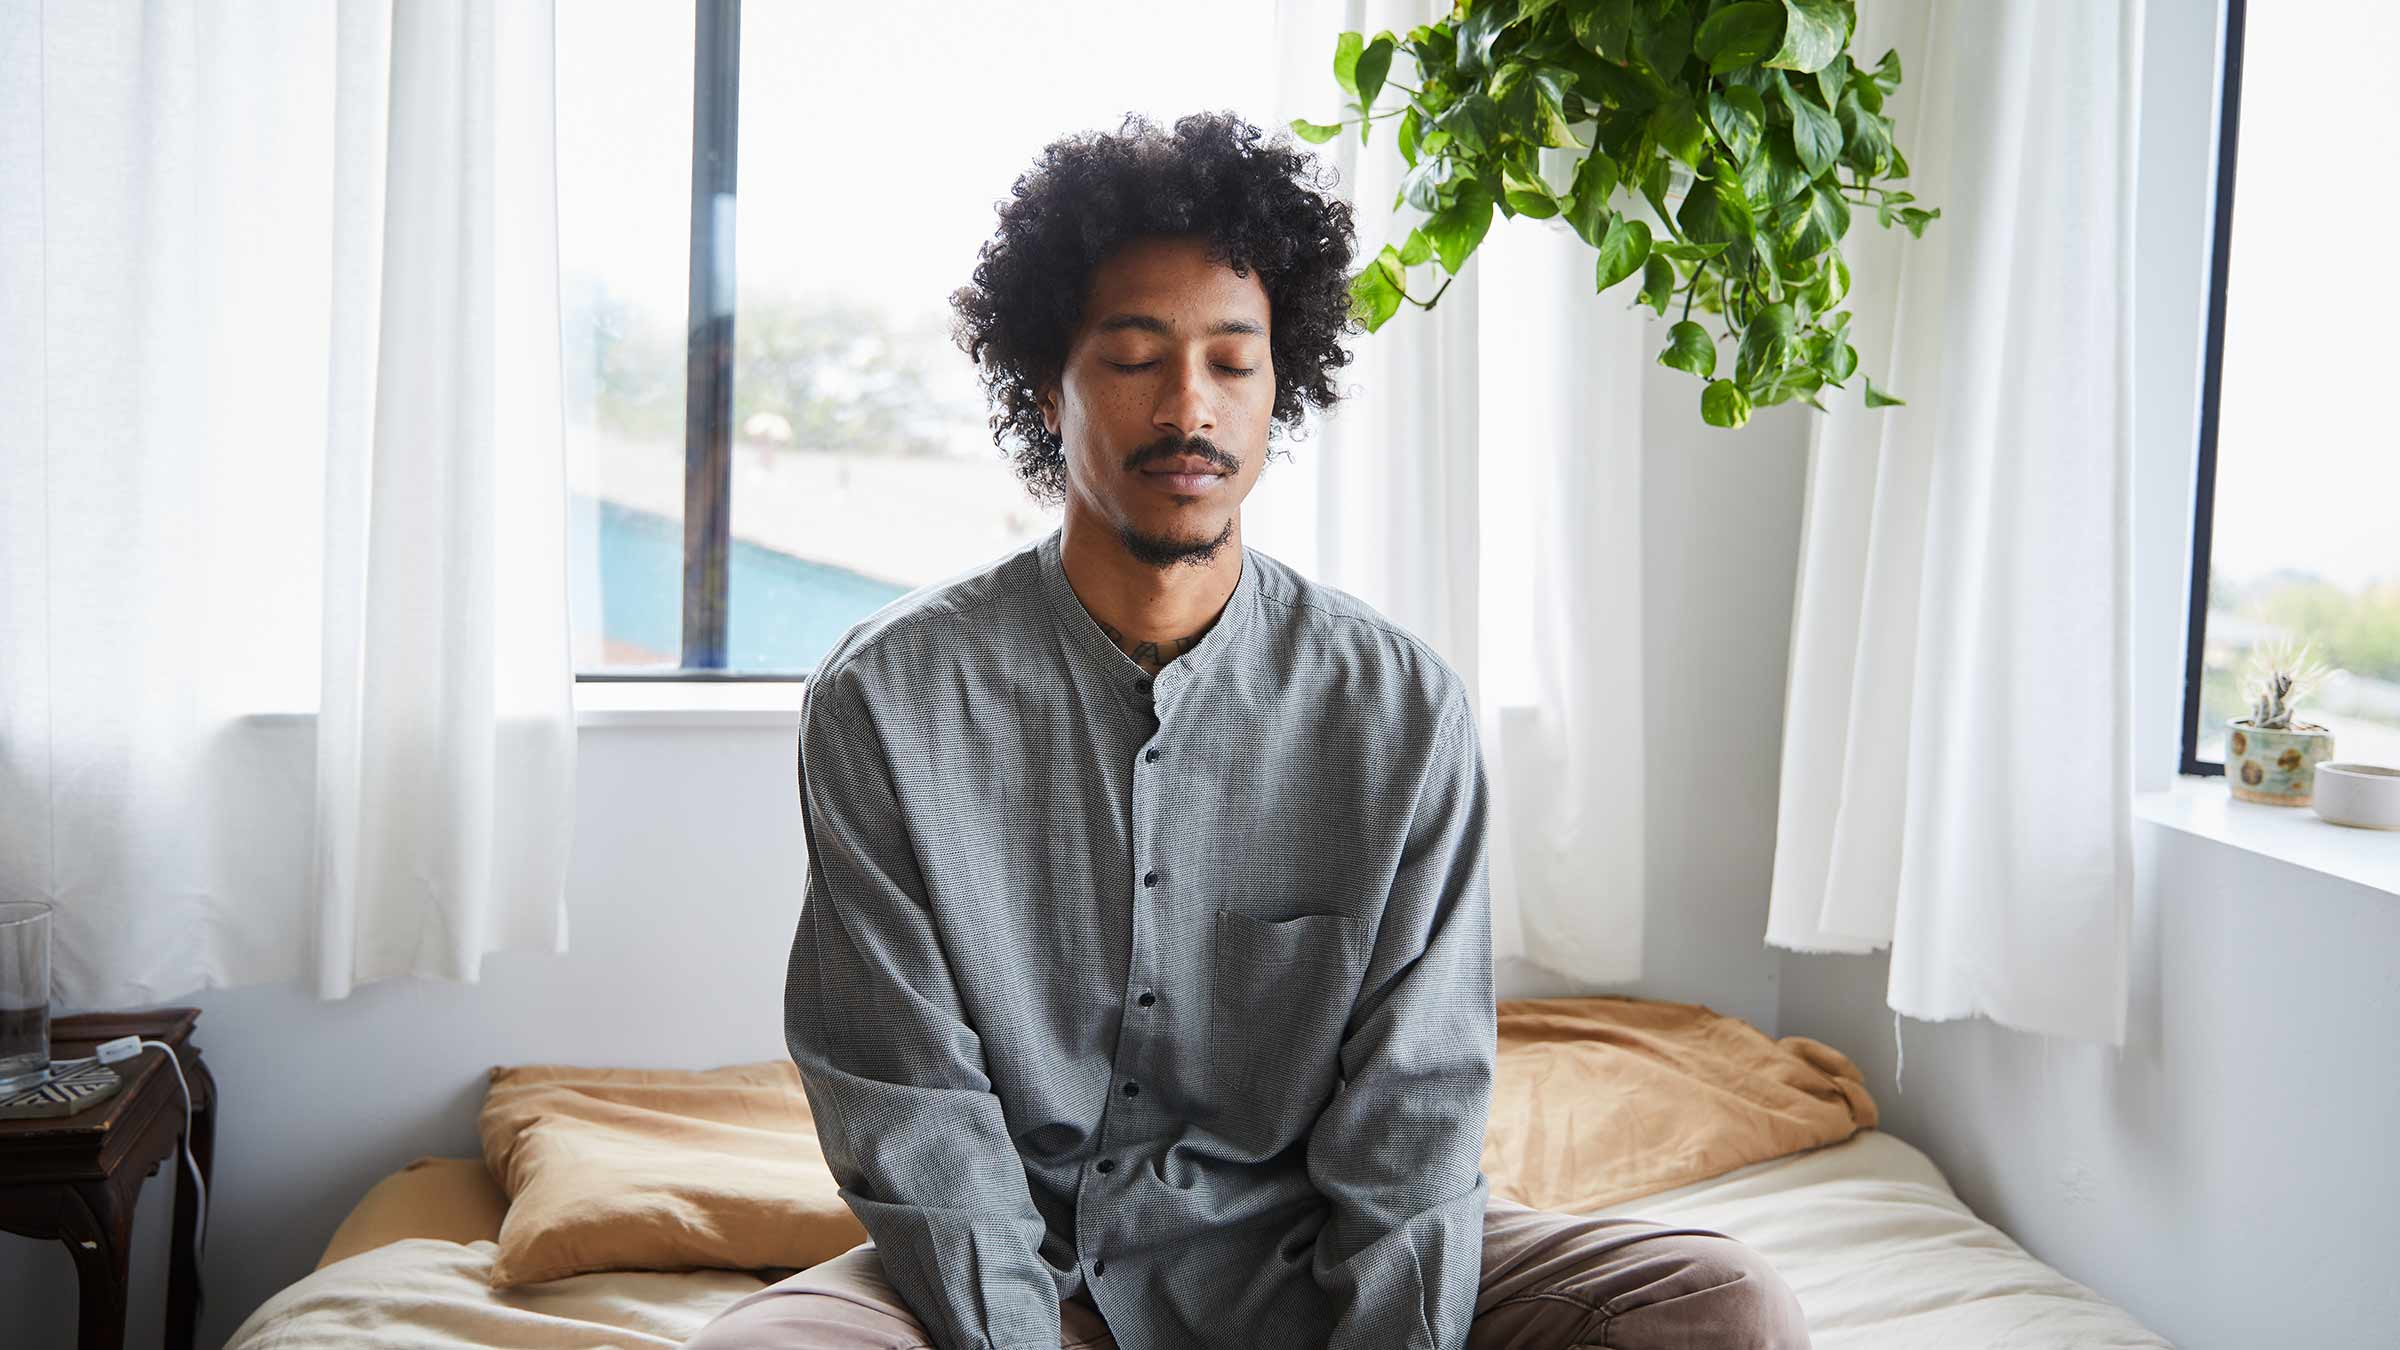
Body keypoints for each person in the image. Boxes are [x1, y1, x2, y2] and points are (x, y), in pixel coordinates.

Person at [682, 110, 1809, 1350]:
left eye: (1233, 360)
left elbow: (1413, 1112)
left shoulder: (1400, 710)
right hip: (1024, 1272)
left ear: (1284, 385)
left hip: (1314, 1259)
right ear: (1043, 391)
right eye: (1134, 357)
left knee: (1720, 1302)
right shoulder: (887, 702)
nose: (1189, 407)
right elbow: (911, 1109)